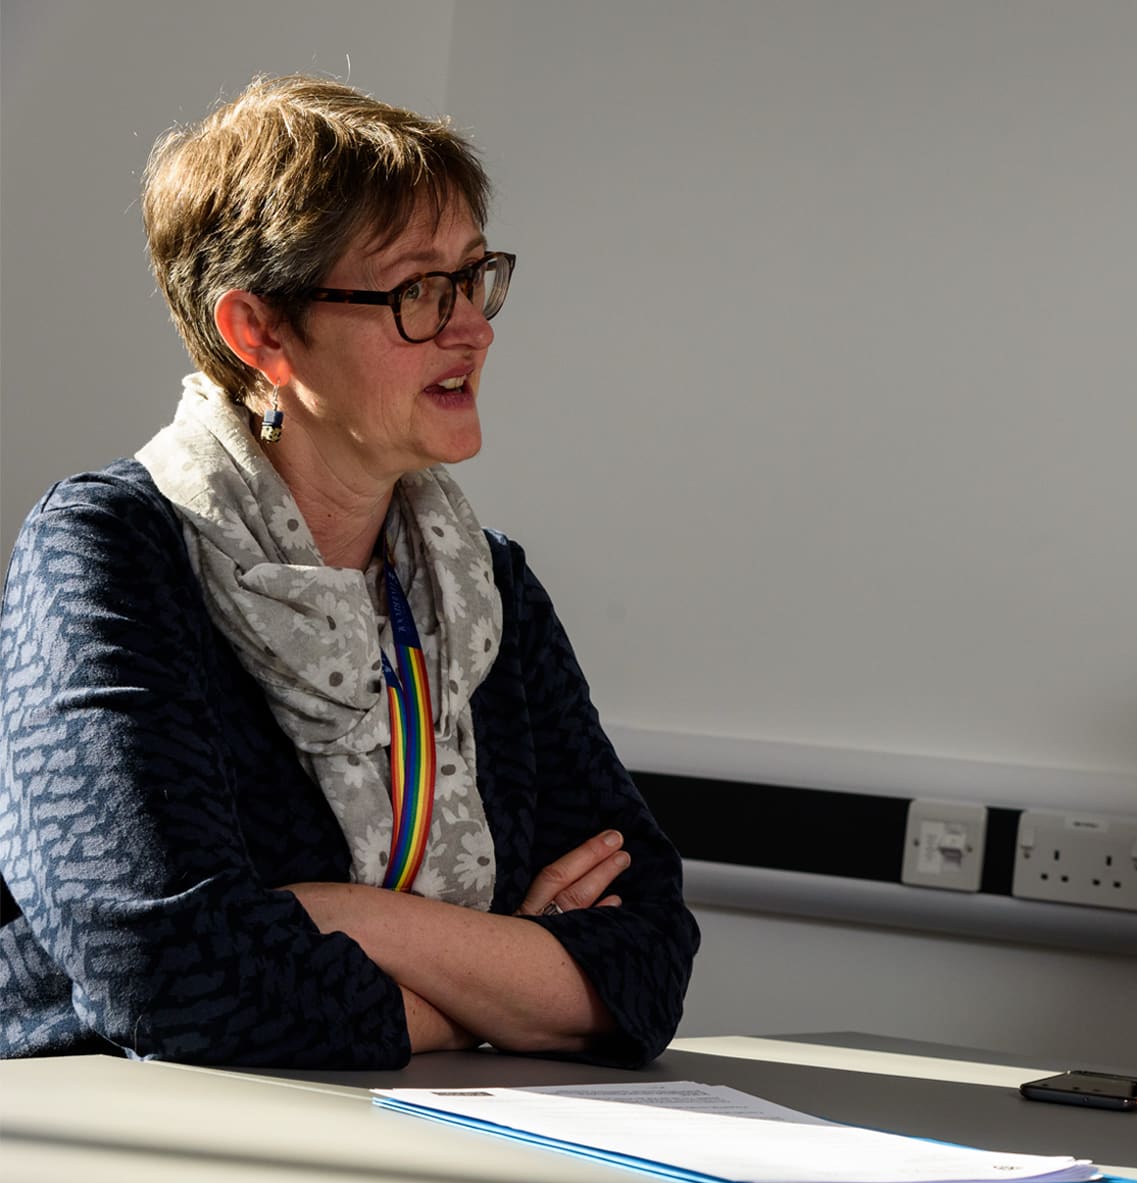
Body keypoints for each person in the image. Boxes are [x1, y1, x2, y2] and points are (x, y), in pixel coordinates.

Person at [0, 75, 699, 1068]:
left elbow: (646, 963)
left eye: (475, 277)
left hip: (414, 1130)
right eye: (419, 291)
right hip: (112, 1156)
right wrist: (501, 987)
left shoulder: (485, 587)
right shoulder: (111, 550)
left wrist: (348, 919)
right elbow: (163, 971)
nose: (473, 327)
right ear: (261, 332)